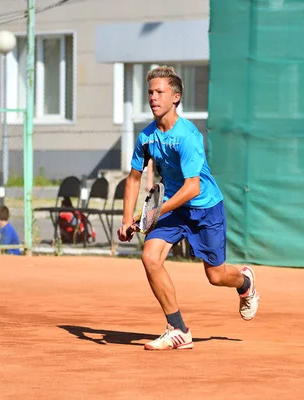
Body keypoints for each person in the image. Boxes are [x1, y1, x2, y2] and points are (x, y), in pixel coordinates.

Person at [118, 66, 260, 350]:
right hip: (173, 207)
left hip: (205, 208)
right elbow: (133, 179)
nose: (153, 98)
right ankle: (178, 329)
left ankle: (245, 282)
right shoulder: (146, 138)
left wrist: (155, 212)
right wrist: (126, 219)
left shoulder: (188, 136)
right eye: (150, 92)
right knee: (150, 257)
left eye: (160, 92)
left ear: (176, 98)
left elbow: (192, 187)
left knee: (216, 276)